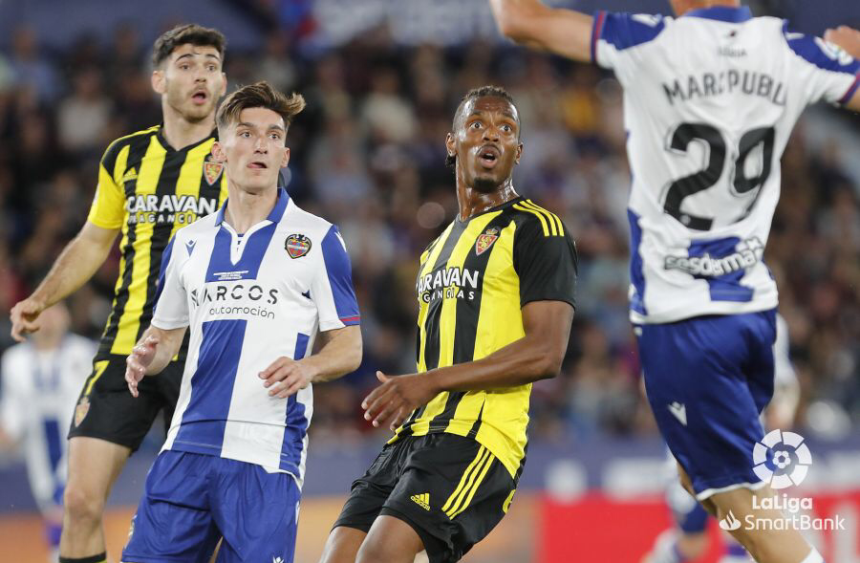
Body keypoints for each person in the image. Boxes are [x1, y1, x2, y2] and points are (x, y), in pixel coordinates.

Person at [488, 1, 860, 562]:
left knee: (740, 500)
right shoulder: (788, 48)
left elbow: (518, 20)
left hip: (684, 321)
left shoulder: (650, 42)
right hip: (752, 312)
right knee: (698, 481)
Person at [320, 85, 578, 563]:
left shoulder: (537, 229)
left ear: (518, 152)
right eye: (478, 124)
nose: (492, 136)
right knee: (337, 555)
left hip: (479, 437)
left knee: (377, 557)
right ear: (451, 141)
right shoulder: (435, 249)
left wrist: (429, 382)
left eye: (506, 129)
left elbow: (547, 353)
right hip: (413, 437)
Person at [9, 24, 230, 563]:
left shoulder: (240, 159)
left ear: (223, 83)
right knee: (79, 502)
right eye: (186, 63)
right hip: (123, 346)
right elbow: (92, 240)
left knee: (215, 512)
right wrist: (41, 297)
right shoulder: (124, 157)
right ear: (158, 80)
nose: (200, 72)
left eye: (210, 64)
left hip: (207, 356)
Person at [121, 80, 363, 563]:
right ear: (219, 153)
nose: (261, 145)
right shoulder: (189, 242)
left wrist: (309, 368)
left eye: (273, 136)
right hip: (185, 447)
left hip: (266, 454)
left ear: (285, 155)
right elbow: (165, 335)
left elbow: (349, 347)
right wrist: (147, 356)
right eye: (248, 133)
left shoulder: (317, 239)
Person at [643, 314, 800, 563]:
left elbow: (784, 379)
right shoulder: (688, 316)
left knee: (744, 534)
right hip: (692, 446)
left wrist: (784, 408)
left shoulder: (770, 321)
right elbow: (654, 378)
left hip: (744, 444)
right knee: (692, 544)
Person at [0, 304, 95, 563]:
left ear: (67, 316)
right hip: (39, 450)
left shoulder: (84, 353)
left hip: (78, 447)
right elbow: (13, 417)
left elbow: (95, 404)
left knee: (67, 516)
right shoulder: (14, 361)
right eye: (43, 312)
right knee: (58, 518)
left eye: (56, 310)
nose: (50, 318)